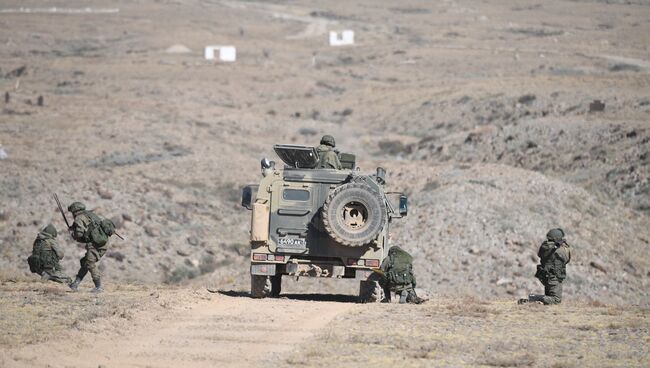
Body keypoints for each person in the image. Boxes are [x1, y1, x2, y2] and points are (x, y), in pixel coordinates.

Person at [67, 202, 115, 293]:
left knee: (89, 263)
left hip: (95, 245)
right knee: (86, 262)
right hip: (102, 243)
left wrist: (72, 234)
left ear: (74, 211)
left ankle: (98, 287)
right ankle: (75, 284)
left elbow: (79, 234)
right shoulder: (90, 214)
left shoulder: (79, 218)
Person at [519, 228, 571, 305]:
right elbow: (567, 259)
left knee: (549, 298)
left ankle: (533, 301)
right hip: (554, 277)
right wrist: (565, 246)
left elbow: (540, 254)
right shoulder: (559, 250)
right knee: (556, 300)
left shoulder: (545, 246)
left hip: (545, 276)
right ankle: (532, 298)